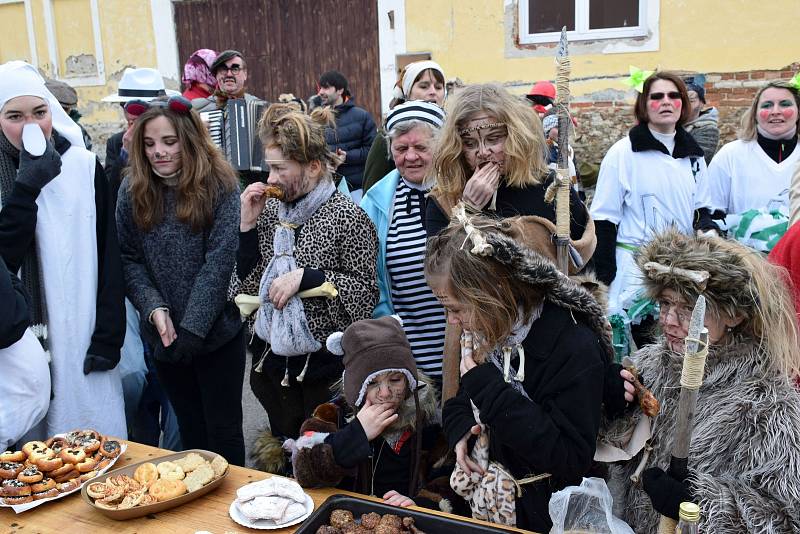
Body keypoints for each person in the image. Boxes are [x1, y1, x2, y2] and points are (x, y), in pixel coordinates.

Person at [601, 228, 800, 533]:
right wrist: (610, 407)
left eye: (688, 307)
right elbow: (608, 451)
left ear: (732, 316)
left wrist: (698, 504)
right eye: (666, 303)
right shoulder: (648, 367)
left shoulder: (768, 404)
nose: (668, 320)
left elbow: (786, 518)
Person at [424, 212, 612, 532]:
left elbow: (569, 458)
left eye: (455, 308)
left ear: (491, 292)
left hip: (549, 515)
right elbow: (462, 402)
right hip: (499, 504)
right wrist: (462, 435)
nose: (452, 322)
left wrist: (490, 390)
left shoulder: (572, 346)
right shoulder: (493, 329)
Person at [231, 104, 378, 451]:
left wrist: (308, 278)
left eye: (280, 168)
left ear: (313, 167)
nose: (270, 179)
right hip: (272, 365)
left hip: (323, 370)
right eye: (270, 167)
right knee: (281, 454)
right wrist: (247, 228)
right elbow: (247, 287)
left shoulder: (347, 217)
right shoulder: (267, 211)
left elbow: (366, 294)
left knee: (322, 458)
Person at [116, 96, 245, 464]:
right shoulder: (132, 190)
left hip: (218, 334)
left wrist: (193, 327)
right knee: (191, 436)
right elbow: (128, 258)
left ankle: (233, 515)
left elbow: (219, 259)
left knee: (224, 435)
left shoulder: (219, 184)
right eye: (150, 143)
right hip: (164, 337)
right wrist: (154, 308)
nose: (159, 152)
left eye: (169, 142)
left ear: (187, 138)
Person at [0, 60, 126, 438]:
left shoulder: (81, 166)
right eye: (14, 115)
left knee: (90, 439)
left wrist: (108, 335)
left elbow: (109, 254)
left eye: (40, 112)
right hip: (17, 341)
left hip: (80, 332)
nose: (31, 126)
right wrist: (26, 189)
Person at [590, 71, 716, 337]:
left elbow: (701, 209)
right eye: (656, 97)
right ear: (644, 105)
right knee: (642, 345)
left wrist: (708, 231)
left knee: (679, 342)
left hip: (680, 267)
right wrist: (604, 276)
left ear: (683, 103)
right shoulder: (623, 153)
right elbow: (603, 218)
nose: (666, 102)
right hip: (635, 269)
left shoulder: (693, 156)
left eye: (673, 96)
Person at [288, 316, 441, 509]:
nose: (385, 393)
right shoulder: (331, 415)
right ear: (355, 385)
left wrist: (420, 504)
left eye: (395, 380)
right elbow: (304, 471)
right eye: (372, 382)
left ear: (409, 380)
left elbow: (447, 483)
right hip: (345, 518)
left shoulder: (427, 419)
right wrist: (357, 433)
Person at [425, 83, 589, 240]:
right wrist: (467, 210)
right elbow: (439, 264)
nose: (482, 152)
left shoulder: (551, 187)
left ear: (515, 137)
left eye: (494, 138)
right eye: (470, 143)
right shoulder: (445, 200)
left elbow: (584, 255)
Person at [360, 101, 447, 383]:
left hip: (466, 346)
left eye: (421, 148)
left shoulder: (462, 191)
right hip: (408, 351)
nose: (411, 157)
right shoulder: (376, 202)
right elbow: (372, 282)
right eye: (401, 149)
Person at [708, 80, 799, 219]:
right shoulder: (730, 155)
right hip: (738, 241)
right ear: (755, 114)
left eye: (785, 104)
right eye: (767, 105)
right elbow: (711, 213)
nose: (775, 111)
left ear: (798, 112)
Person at [362, 60, 446, 194]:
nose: (432, 92)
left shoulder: (450, 132)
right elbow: (372, 191)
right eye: (424, 86)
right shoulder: (389, 134)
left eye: (438, 87)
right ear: (408, 91)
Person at [192, 50, 268, 187]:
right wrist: (197, 134)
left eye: (235, 68)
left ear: (245, 74)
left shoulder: (261, 108)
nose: (228, 74)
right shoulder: (199, 109)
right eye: (223, 69)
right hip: (213, 182)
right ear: (216, 75)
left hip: (253, 183)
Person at [317, 70, 377, 200]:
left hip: (356, 190)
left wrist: (347, 157)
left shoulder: (362, 117)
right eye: (320, 87)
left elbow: (372, 152)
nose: (320, 92)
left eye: (326, 87)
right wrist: (323, 165)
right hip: (325, 190)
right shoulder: (317, 119)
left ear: (340, 90)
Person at [682, 75, 719, 164]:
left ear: (701, 103)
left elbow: (694, 163)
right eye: (682, 100)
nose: (685, 105)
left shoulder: (709, 130)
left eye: (691, 101)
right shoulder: (670, 125)